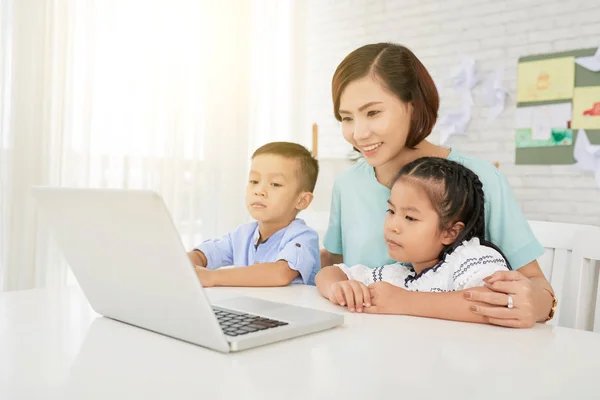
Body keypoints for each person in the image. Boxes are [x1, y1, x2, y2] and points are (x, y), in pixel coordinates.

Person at [319, 43, 556, 328]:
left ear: (412, 105)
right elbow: (333, 270)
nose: (358, 133)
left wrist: (535, 304)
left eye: (373, 113)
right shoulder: (348, 184)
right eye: (346, 118)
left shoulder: (477, 178)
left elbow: (538, 289)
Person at [317, 157, 516, 324]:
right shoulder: (398, 276)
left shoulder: (470, 258)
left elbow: (497, 302)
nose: (393, 226)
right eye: (391, 211)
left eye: (410, 218)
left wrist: (404, 301)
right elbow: (330, 273)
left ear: (450, 232)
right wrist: (339, 288)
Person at [188, 142, 320, 287]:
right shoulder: (243, 234)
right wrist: (188, 266)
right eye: (254, 181)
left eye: (275, 184)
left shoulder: (303, 237)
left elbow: (280, 274)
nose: (259, 190)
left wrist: (211, 277)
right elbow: (205, 254)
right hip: (249, 308)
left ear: (302, 201)